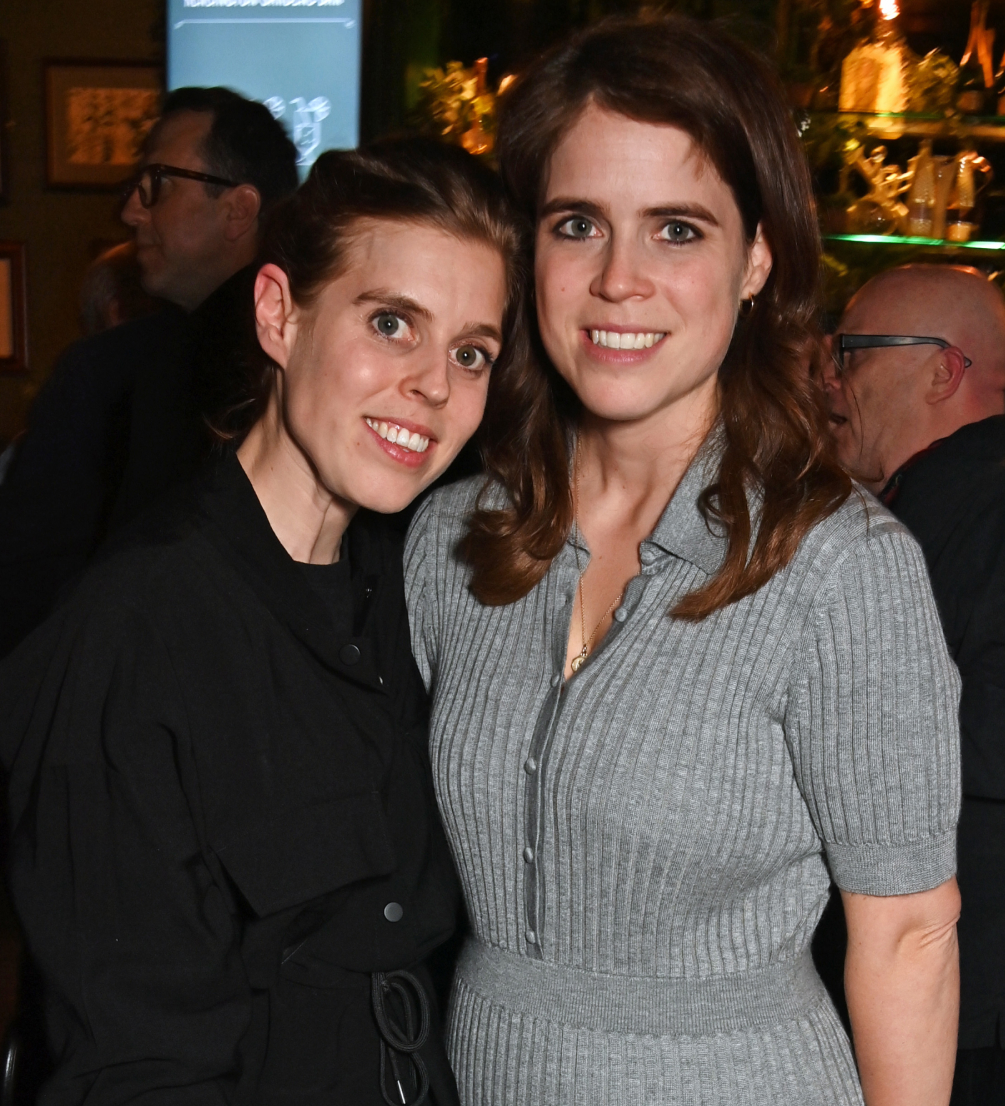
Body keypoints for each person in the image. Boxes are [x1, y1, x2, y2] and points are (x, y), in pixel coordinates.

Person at [405, 15, 962, 1106]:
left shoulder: (841, 570)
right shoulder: (451, 539)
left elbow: (908, 933)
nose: (620, 279)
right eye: (578, 224)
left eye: (676, 230)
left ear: (756, 257)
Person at [0, 138, 526, 1106]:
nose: (435, 385)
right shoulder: (135, 631)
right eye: (391, 323)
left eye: (470, 352)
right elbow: (139, 1063)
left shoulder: (416, 592)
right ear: (279, 313)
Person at [0, 87, 297, 674]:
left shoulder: (128, 368)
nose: (131, 212)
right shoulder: (296, 355)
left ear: (238, 209)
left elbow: (21, 555)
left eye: (158, 184)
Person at [824, 264, 1005, 1106]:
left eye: (854, 352)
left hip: (957, 1003)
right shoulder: (927, 500)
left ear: (943, 370)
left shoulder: (965, 504)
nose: (830, 378)